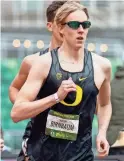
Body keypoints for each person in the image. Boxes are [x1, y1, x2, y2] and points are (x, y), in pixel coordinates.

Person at [11, 1, 112, 161]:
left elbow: (105, 104)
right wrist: (55, 98)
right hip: (42, 154)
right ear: (60, 28)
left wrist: (101, 132)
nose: (81, 30)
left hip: (81, 155)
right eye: (74, 25)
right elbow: (16, 113)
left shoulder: (102, 66)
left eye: (85, 25)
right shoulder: (42, 63)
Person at [9, 1, 67, 160]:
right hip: (37, 138)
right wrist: (31, 108)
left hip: (71, 139)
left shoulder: (87, 65)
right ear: (50, 26)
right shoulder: (32, 61)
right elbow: (13, 89)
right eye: (62, 23)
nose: (67, 28)